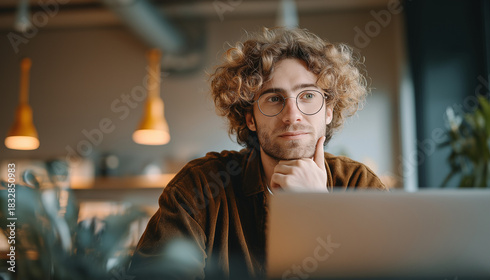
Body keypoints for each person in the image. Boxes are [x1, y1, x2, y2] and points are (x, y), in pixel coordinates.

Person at [129, 27, 386, 280]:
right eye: (274, 98)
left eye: (308, 95)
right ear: (250, 117)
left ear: (328, 111)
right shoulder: (200, 186)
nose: (292, 115)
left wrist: (318, 209)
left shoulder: (358, 184)